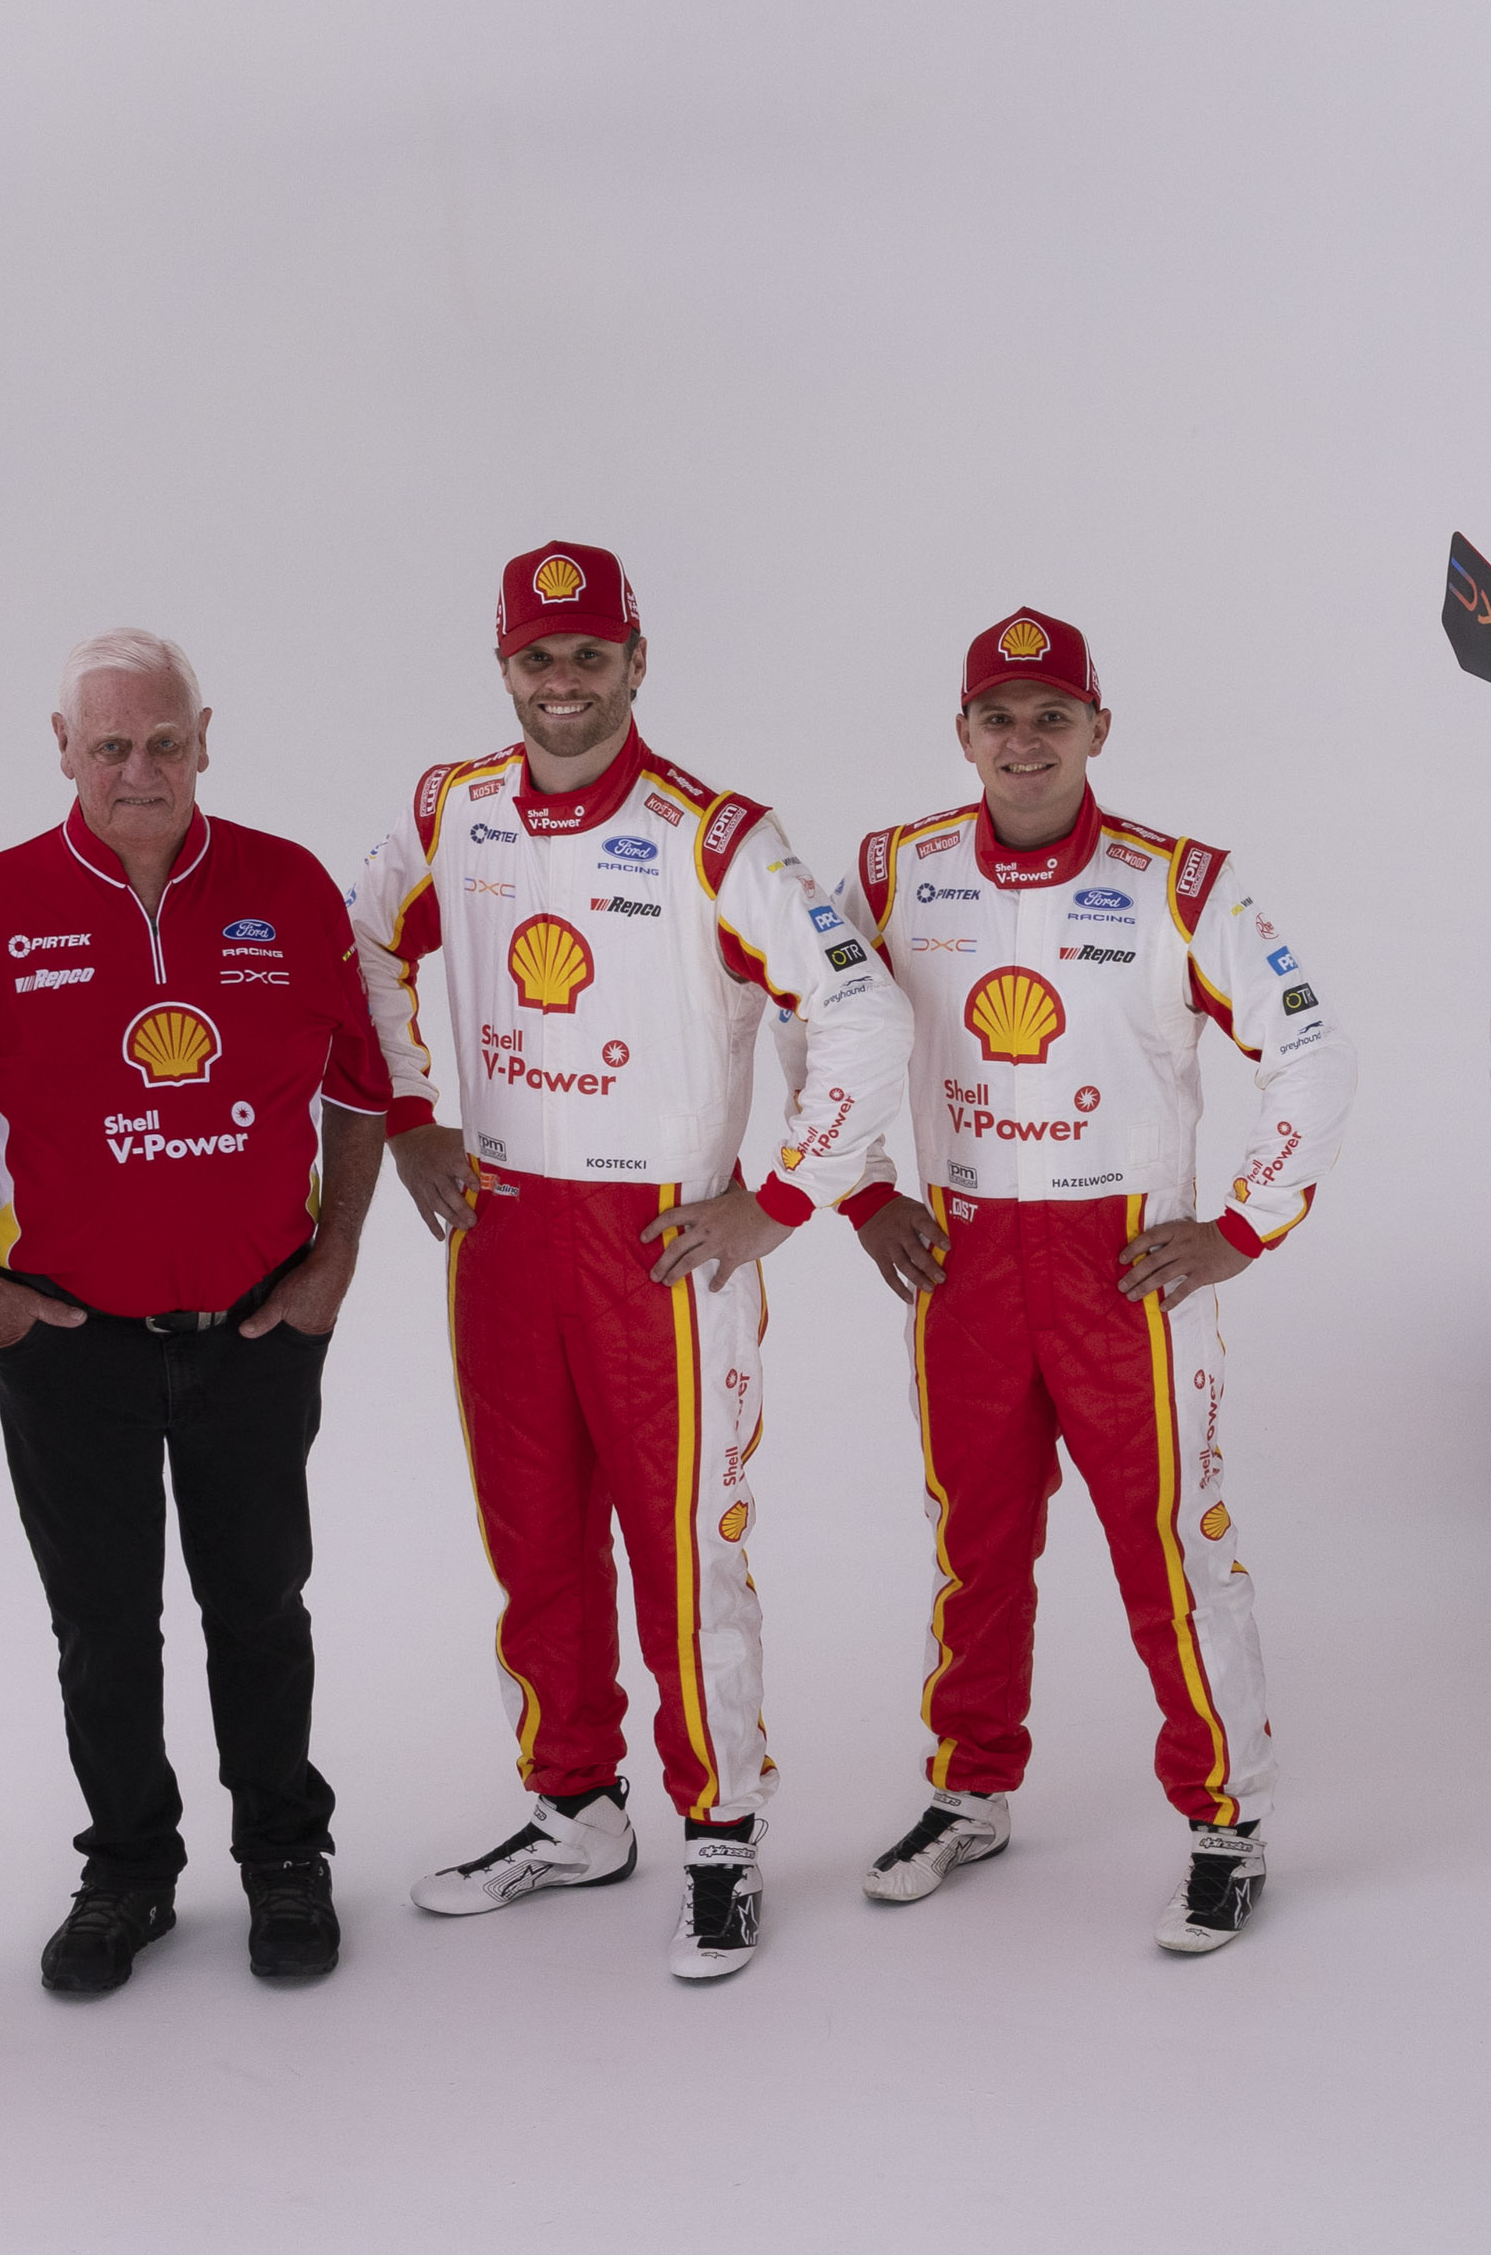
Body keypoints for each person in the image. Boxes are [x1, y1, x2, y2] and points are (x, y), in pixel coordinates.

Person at [352, 539, 909, 1981]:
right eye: (537, 657)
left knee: (682, 1553)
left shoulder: (718, 835)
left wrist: (783, 1198)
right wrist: (410, 1113)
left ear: (637, 660)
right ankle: (575, 1808)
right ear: (504, 667)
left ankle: (721, 1830)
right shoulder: (451, 808)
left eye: (589, 654)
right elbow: (362, 945)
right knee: (533, 1542)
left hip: (661, 1245)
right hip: (499, 1229)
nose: (564, 681)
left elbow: (860, 1013)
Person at [0, 631, 396, 1996]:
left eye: (164, 741)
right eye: (109, 745)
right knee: (103, 1627)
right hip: (67, 1344)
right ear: (62, 749)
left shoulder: (286, 887)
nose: (138, 770)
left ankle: (284, 1854)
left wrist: (335, 1255)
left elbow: (362, 1087)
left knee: (261, 1604)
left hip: (257, 1332)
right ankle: (127, 1869)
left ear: (205, 738)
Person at [842, 611, 1351, 1952]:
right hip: (963, 1260)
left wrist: (1243, 1225)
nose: (1026, 741)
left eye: (1052, 716)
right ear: (963, 734)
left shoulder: (1181, 882)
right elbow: (816, 1023)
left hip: (1124, 1268)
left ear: (1097, 729)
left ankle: (1226, 1823)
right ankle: (969, 1791)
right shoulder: (893, 874)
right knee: (975, 1543)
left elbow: (1311, 1053)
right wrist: (864, 1187)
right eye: (999, 718)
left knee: (1171, 1550)